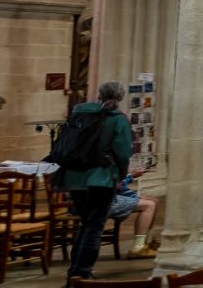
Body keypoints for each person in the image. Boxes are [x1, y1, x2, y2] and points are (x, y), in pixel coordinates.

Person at [54, 81, 133, 284]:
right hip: (101, 178)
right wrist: (122, 174)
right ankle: (82, 273)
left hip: (75, 178)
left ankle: (75, 272)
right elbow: (123, 152)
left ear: (99, 94)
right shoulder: (117, 119)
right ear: (120, 97)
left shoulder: (80, 113)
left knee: (86, 223)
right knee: (95, 225)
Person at [108, 162, 159, 258]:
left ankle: (146, 242)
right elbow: (118, 184)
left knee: (153, 201)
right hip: (105, 201)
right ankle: (138, 247)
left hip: (98, 197)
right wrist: (131, 175)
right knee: (149, 205)